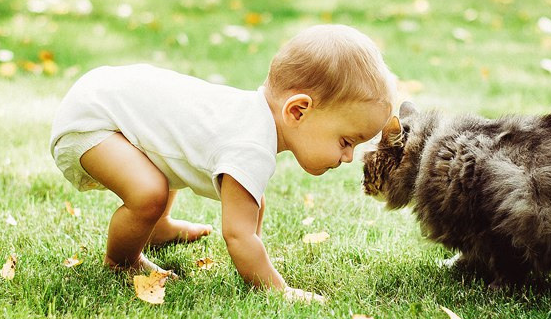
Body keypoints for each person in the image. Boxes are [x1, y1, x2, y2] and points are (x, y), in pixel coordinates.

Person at [50, 24, 394, 300]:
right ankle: (121, 261)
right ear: (298, 111)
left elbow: (250, 202)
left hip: (111, 96)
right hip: (93, 118)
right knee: (148, 192)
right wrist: (278, 290)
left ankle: (158, 227)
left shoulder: (252, 119)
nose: (348, 158)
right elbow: (239, 236)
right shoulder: (250, 144)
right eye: (346, 142)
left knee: (168, 154)